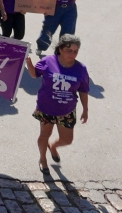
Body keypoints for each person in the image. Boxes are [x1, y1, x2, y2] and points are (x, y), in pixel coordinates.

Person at [24, 34, 89, 175]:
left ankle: (53, 146)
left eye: (75, 51)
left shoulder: (81, 69)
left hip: (67, 110)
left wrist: (85, 109)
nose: (72, 54)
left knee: (67, 139)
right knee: (44, 134)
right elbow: (35, 74)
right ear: (60, 49)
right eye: (68, 50)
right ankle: (42, 159)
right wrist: (28, 63)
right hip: (46, 107)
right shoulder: (48, 61)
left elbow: (83, 90)